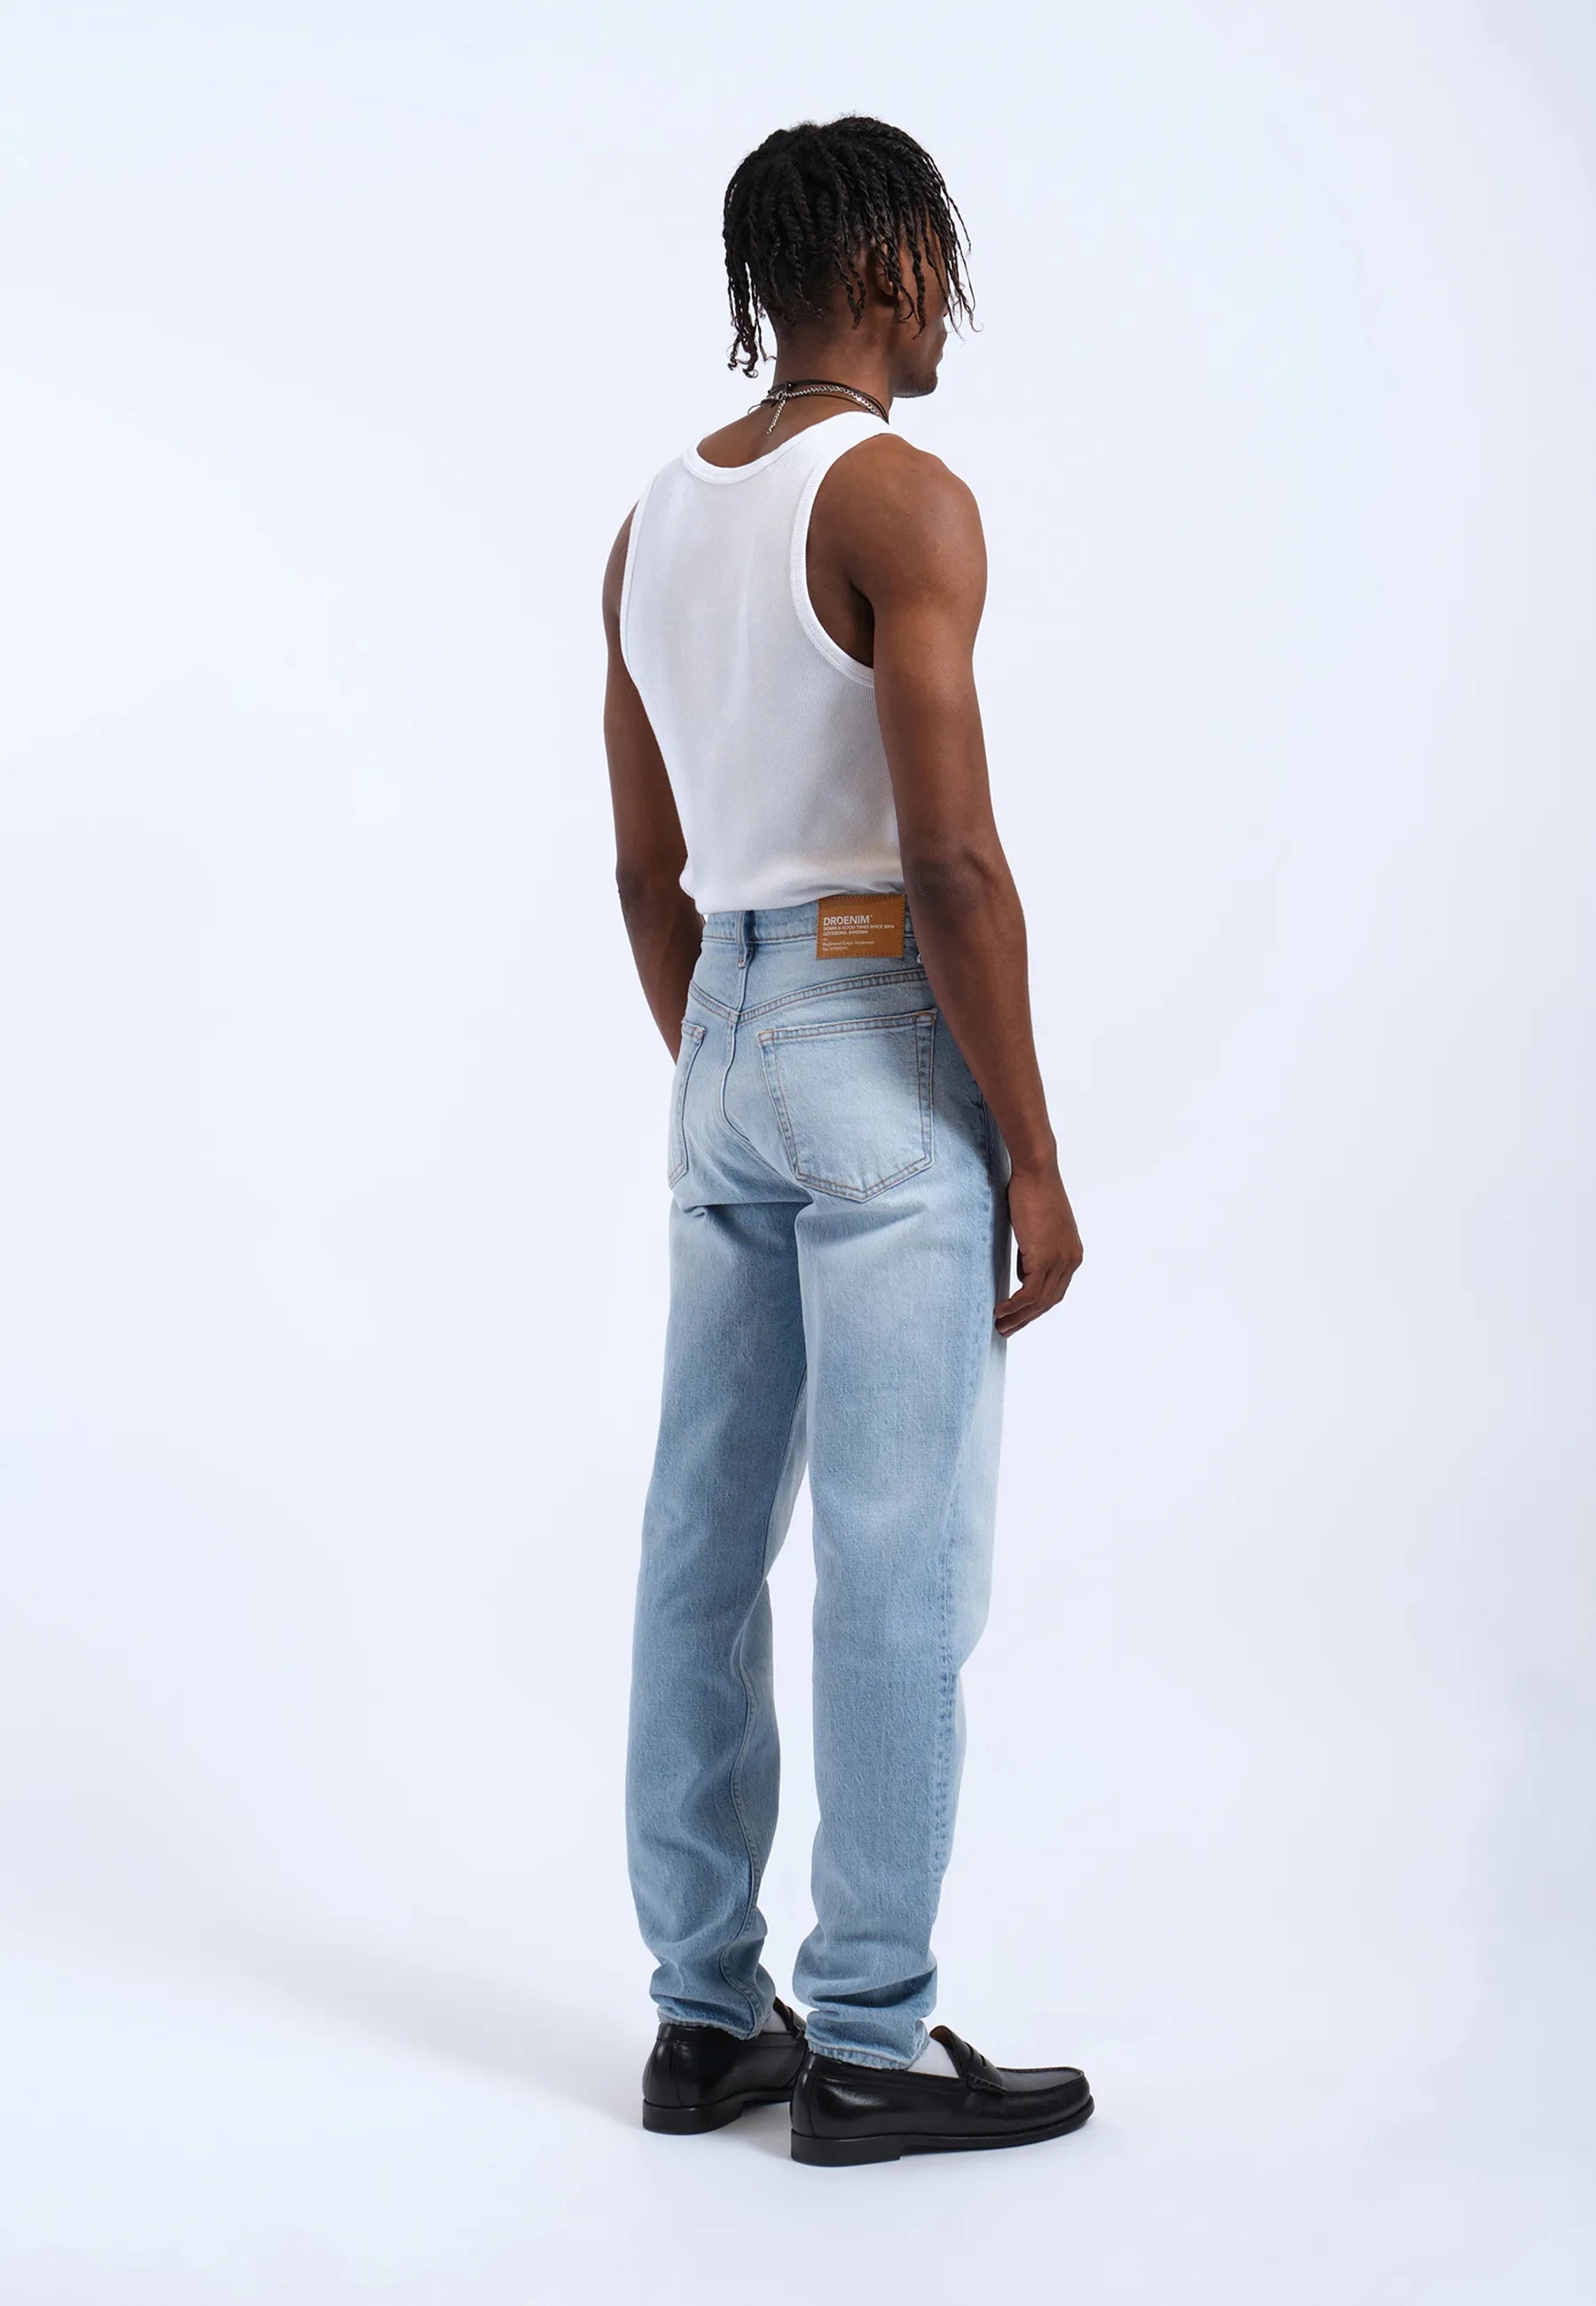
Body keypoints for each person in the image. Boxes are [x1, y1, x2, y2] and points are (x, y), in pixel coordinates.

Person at [600, 114, 1092, 2168]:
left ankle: (707, 2018)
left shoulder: (648, 524)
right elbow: (953, 857)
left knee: (703, 1542)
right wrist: (1030, 1151)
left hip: (720, 1024)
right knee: (900, 1555)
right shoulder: (895, 498)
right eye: (941, 257)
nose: (952, 297)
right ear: (889, 262)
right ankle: (873, 2041)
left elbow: (646, 867)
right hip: (883, 1025)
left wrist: (734, 1064)